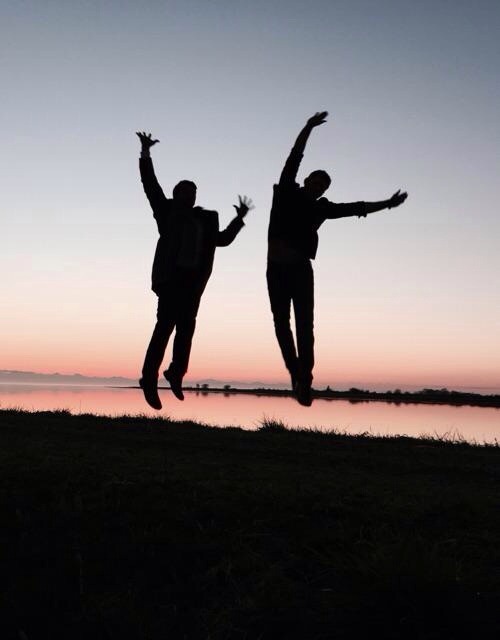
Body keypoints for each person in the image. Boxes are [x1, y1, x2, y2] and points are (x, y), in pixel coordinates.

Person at [267, 112, 408, 406]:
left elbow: (356, 207)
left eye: (323, 187)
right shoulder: (286, 191)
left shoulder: (322, 209)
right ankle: (296, 373)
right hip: (277, 268)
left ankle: (304, 379)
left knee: (306, 325)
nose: (319, 188)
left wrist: (388, 204)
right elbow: (293, 157)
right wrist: (307, 128)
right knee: (282, 323)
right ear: (306, 180)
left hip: (302, 269)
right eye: (316, 182)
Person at [137, 131, 253, 410]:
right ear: (176, 195)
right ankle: (148, 379)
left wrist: (239, 219)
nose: (189, 195)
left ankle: (175, 373)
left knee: (186, 329)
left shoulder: (207, 218)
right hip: (170, 279)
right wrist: (145, 153)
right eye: (183, 191)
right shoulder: (166, 211)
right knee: (164, 327)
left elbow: (222, 240)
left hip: (193, 282)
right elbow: (150, 184)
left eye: (193, 192)